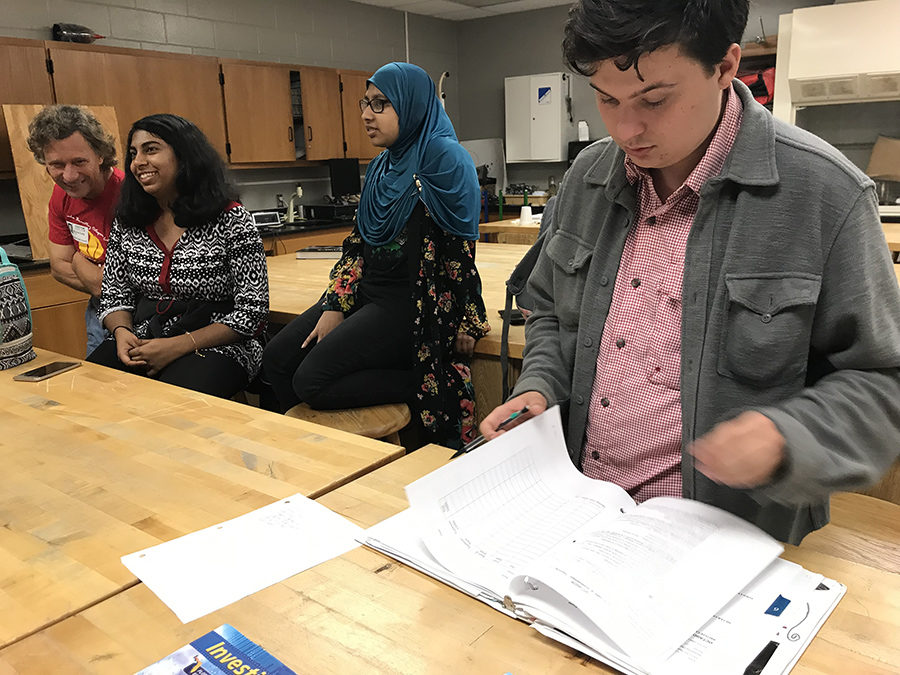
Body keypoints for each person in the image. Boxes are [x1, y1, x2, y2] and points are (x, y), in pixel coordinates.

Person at [480, 0, 900, 543]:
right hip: (581, 515)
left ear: (726, 68)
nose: (627, 128)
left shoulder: (825, 193)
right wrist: (539, 386)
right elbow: (551, 318)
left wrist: (787, 437)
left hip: (729, 541)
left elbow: (882, 381)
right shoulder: (586, 177)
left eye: (655, 99)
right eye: (607, 99)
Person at [263, 62, 490, 449]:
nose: (367, 115)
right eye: (365, 103)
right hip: (367, 293)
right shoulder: (384, 164)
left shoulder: (445, 159)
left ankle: (431, 378)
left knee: (311, 379)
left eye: (381, 104)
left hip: (411, 302)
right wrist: (335, 303)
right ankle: (323, 454)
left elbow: (459, 250)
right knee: (277, 359)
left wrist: (469, 321)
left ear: (411, 104)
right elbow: (358, 242)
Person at [87, 114, 268, 399]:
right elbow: (114, 294)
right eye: (133, 153)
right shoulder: (129, 221)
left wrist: (178, 345)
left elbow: (252, 310)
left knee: (173, 403)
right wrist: (122, 332)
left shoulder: (231, 218)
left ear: (185, 156)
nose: (138, 162)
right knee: (91, 390)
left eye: (151, 149)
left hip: (219, 342)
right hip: (146, 336)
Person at [26, 105, 124, 355]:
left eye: (79, 162)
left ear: (100, 155)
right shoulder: (61, 196)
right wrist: (97, 279)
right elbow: (58, 266)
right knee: (97, 384)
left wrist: (79, 262)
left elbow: (142, 283)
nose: (68, 176)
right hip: (97, 312)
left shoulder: (130, 196)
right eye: (56, 164)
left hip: (143, 315)